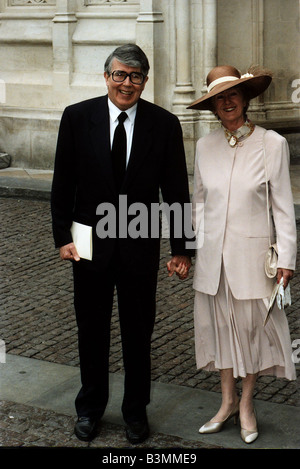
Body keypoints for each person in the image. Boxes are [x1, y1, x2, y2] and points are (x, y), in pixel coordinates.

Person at [51, 44, 193, 444]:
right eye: (119, 75)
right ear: (106, 76)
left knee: (137, 332)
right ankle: (89, 409)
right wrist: (63, 237)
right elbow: (63, 182)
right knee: (90, 329)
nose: (126, 83)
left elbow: (177, 191)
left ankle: (135, 413)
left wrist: (182, 248)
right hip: (88, 242)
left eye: (135, 76)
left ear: (145, 81)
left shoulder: (164, 124)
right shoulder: (77, 117)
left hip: (139, 242)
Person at [187, 65, 297, 444]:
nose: (228, 102)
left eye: (234, 94)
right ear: (213, 106)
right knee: (219, 332)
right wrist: (188, 250)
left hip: (253, 260)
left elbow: (283, 207)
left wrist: (287, 257)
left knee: (252, 334)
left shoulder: (272, 144)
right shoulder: (204, 146)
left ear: (246, 98)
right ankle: (226, 402)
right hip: (212, 262)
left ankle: (247, 403)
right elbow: (197, 205)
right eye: (220, 97)